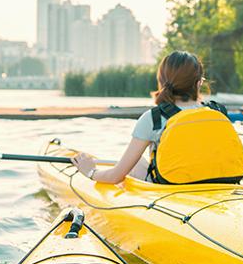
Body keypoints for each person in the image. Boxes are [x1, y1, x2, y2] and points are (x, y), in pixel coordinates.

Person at [71, 51, 222, 183]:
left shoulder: (154, 118)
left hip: (172, 191)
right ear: (198, 83)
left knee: (134, 164)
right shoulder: (218, 112)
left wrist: (91, 172)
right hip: (217, 186)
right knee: (137, 163)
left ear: (162, 81)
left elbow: (115, 177)